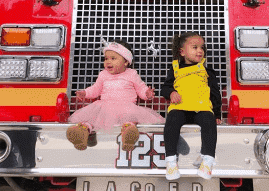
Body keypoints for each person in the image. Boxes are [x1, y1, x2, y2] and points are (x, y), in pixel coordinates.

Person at [66, 39, 164, 152]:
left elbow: (140, 88)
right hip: (104, 106)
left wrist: (147, 93)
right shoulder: (103, 74)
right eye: (106, 58)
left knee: (129, 120)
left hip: (126, 107)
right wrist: (85, 93)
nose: (108, 62)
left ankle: (129, 137)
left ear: (126, 61)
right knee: (91, 119)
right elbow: (95, 89)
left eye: (113, 58)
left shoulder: (132, 74)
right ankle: (81, 133)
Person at [161, 32, 222, 181]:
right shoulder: (175, 70)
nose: (200, 51)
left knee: (209, 122)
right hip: (180, 107)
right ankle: (171, 160)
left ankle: (207, 161)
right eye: (194, 47)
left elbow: (215, 93)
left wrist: (217, 114)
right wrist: (171, 93)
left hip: (201, 109)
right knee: (172, 121)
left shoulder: (207, 72)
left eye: (202, 48)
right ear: (182, 52)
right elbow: (165, 88)